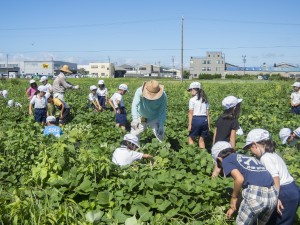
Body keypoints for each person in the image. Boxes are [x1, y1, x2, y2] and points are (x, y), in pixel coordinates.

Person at [211, 141, 278, 224]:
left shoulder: (226, 160)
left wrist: (233, 198)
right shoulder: (245, 157)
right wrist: (234, 207)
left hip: (255, 195)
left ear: (218, 159)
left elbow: (239, 179)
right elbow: (247, 190)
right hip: (273, 194)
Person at [244, 128, 300, 225]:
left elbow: (275, 178)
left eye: (250, 148)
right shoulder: (273, 154)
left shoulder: (265, 158)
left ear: (255, 145)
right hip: (291, 189)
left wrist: (275, 198)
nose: (251, 152)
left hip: (284, 192)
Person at [212, 96, 242, 177]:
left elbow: (215, 134)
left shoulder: (219, 118)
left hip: (216, 146)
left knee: (217, 168)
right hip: (226, 147)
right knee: (227, 169)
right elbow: (232, 138)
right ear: (235, 107)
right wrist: (233, 150)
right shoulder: (234, 121)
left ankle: (212, 182)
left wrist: (213, 147)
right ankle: (226, 186)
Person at [187, 82, 210, 149]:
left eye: (191, 90)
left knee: (191, 138)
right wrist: (208, 125)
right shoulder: (205, 100)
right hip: (204, 120)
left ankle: (192, 153)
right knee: (201, 140)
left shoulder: (192, 100)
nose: (190, 92)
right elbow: (207, 114)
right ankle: (203, 155)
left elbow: (191, 113)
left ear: (194, 89)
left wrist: (190, 124)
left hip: (196, 119)